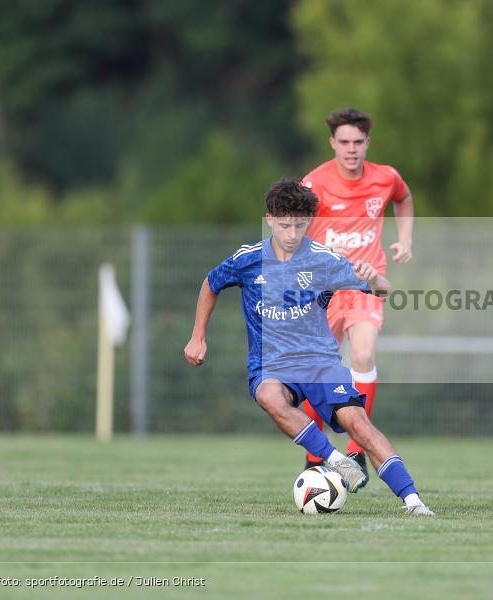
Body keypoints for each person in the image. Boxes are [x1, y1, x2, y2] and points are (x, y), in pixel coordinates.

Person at [183, 177, 433, 516]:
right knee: (269, 396)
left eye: (299, 225)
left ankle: (413, 501)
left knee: (357, 423)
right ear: (269, 220)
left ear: (309, 223)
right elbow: (210, 284)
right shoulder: (248, 258)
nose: (291, 233)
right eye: (284, 225)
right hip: (271, 363)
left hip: (319, 362)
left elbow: (383, 289)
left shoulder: (323, 260)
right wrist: (198, 336)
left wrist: (373, 277)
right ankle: (337, 462)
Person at [298, 107, 415, 484]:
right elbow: (291, 230)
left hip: (364, 286)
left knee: (363, 353)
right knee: (316, 375)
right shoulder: (314, 185)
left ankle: (355, 448)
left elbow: (404, 197)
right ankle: (315, 456)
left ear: (368, 143)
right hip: (321, 292)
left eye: (358, 142)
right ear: (332, 143)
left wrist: (405, 240)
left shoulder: (385, 178)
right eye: (344, 142)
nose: (351, 149)